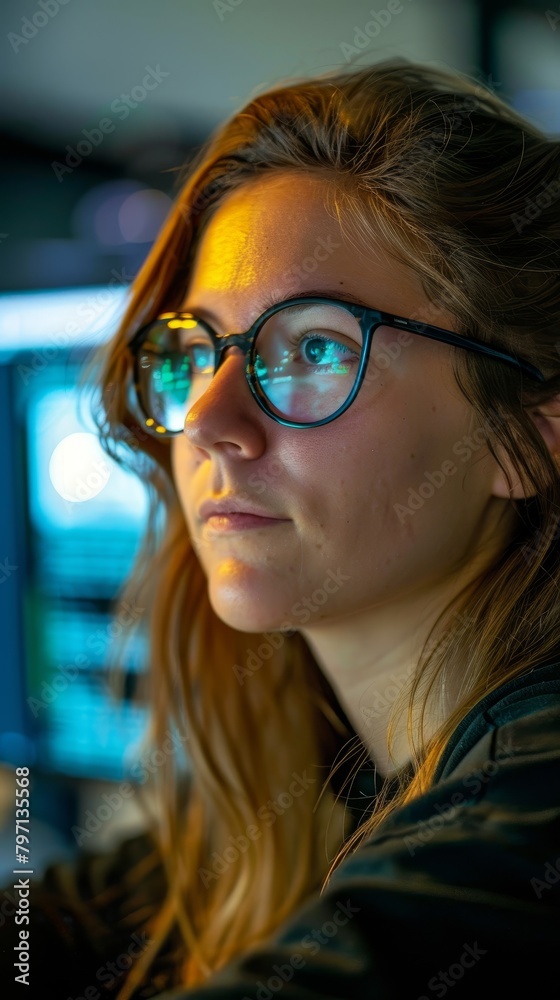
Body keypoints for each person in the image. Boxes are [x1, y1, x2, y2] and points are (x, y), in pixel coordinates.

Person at [3, 56, 560, 998]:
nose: (211, 422)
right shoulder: (318, 781)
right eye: (197, 350)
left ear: (526, 440)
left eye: (313, 347)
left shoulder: (533, 809)